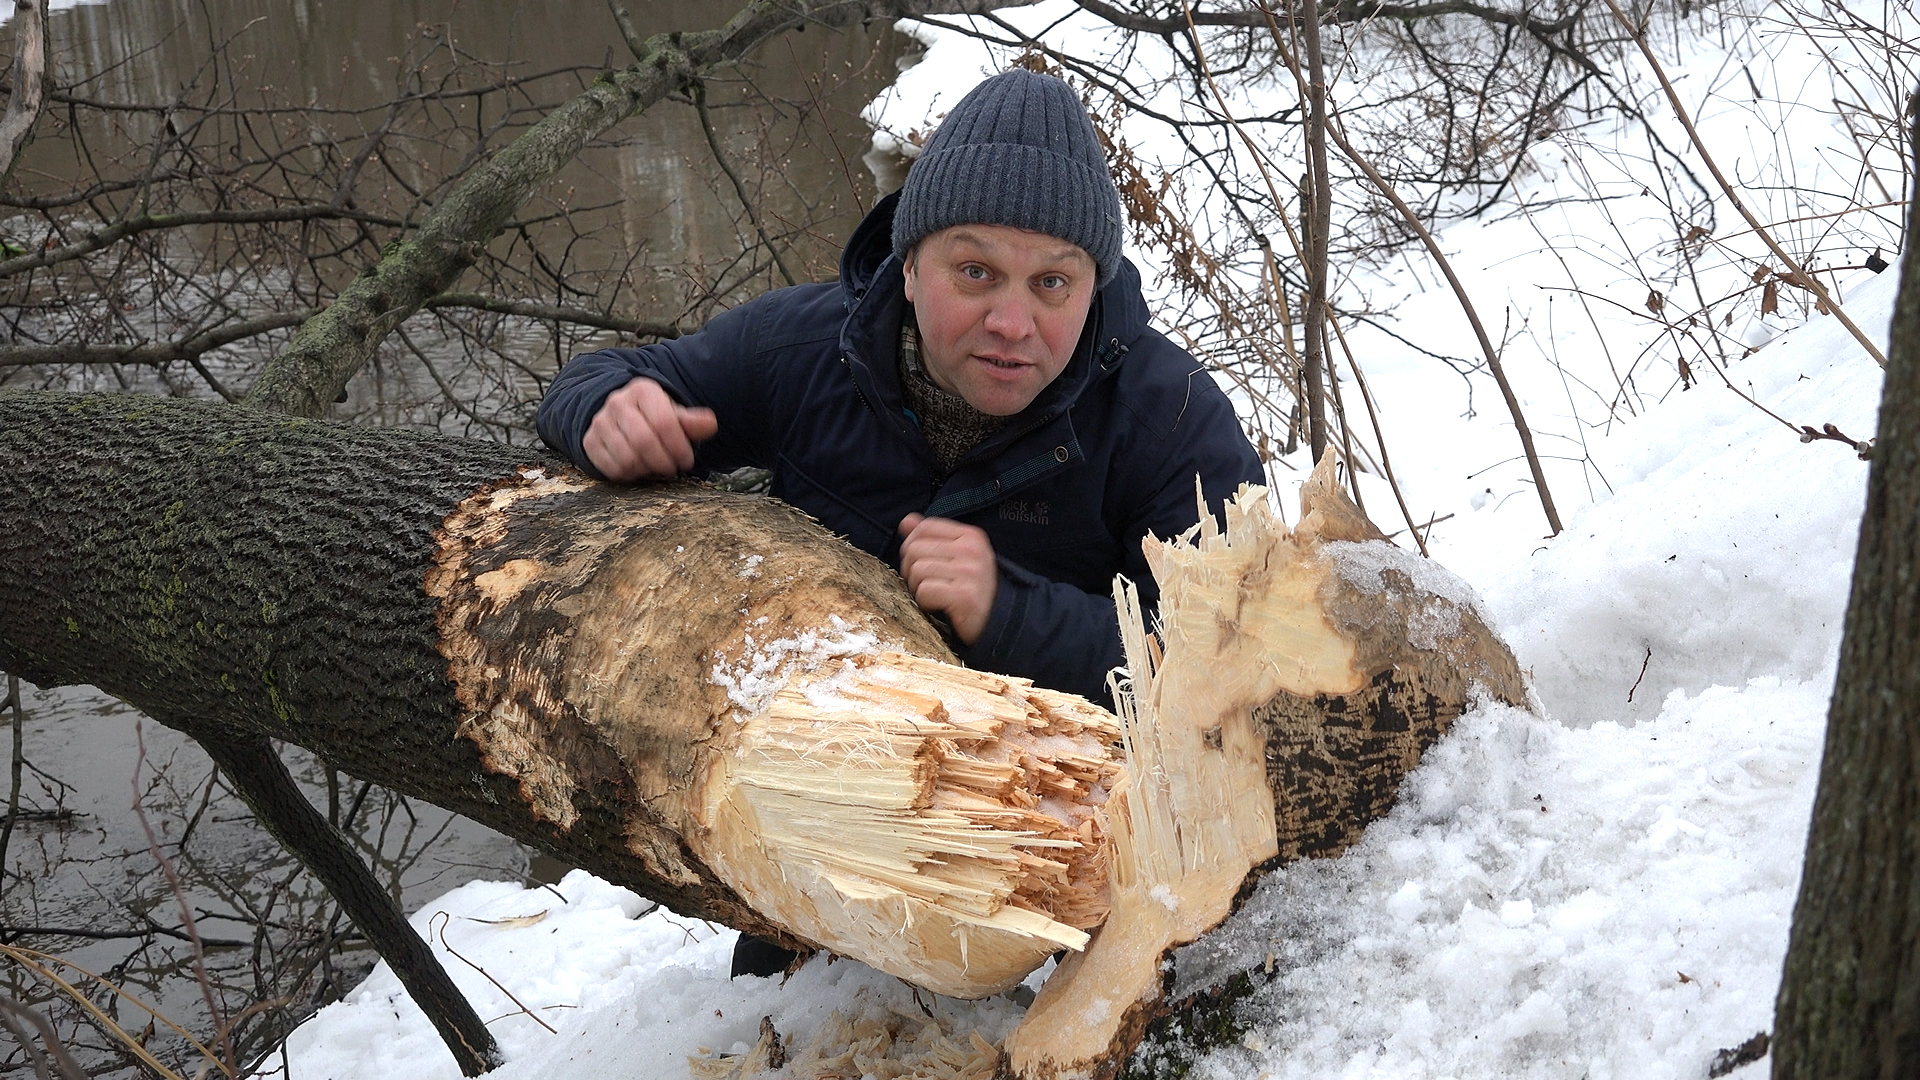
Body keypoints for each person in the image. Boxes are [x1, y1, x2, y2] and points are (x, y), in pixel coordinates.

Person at [536, 71, 1264, 973]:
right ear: (909, 267)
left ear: (1094, 285)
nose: (1012, 321)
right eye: (975, 272)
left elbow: (1236, 676)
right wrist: (610, 414)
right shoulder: (807, 349)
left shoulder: (1171, 417)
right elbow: (599, 379)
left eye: (1052, 284)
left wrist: (1013, 612)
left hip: (1074, 897)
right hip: (820, 863)